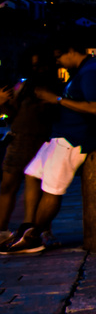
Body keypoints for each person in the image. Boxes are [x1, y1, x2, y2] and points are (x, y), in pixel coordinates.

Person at [3, 37, 96, 255]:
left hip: (74, 139)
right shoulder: (83, 71)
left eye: (59, 57)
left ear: (71, 51)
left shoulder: (91, 71)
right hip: (60, 135)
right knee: (32, 174)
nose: (59, 62)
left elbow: (95, 108)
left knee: (53, 189)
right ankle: (28, 227)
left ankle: (34, 236)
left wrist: (57, 100)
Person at [0, 46, 57, 244]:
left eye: (40, 65)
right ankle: (2, 230)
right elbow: (14, 115)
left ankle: (38, 229)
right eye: (34, 66)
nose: (38, 70)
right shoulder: (22, 88)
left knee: (42, 187)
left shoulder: (51, 88)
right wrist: (3, 103)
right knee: (8, 185)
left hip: (42, 140)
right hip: (19, 139)